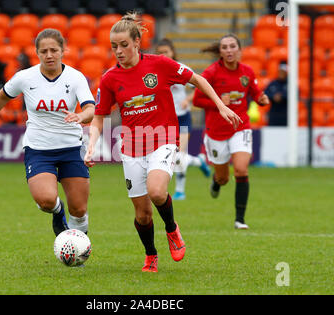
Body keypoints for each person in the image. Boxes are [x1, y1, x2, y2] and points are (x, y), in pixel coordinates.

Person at [84, 14, 241, 273]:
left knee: (157, 192)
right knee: (142, 215)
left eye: (123, 45)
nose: (118, 51)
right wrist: (91, 145)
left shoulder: (159, 64)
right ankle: (150, 255)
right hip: (132, 148)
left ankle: (171, 229)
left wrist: (220, 105)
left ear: (137, 42)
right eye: (114, 46)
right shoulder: (110, 78)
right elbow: (99, 117)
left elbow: (198, 79)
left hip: (164, 140)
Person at [0, 29, 95, 238]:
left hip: (72, 147)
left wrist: (81, 116)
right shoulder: (25, 77)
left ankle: (79, 251)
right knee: (46, 200)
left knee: (78, 210)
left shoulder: (75, 77)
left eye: (53, 50)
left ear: (63, 51)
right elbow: (2, 97)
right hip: (39, 149)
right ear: (37, 53)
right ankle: (58, 213)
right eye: (44, 51)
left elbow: (90, 109)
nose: (49, 55)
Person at [194, 33, 270, 230]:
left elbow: (255, 92)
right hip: (216, 131)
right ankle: (216, 182)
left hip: (240, 127)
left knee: (241, 170)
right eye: (225, 47)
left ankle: (240, 219)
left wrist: (262, 98)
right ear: (220, 52)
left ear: (239, 50)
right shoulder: (211, 73)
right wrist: (218, 102)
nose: (229, 50)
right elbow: (197, 100)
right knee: (223, 178)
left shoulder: (247, 72)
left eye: (232, 46)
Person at [155, 38, 211, 201]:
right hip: (165, 120)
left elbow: (199, 86)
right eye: (160, 52)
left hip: (182, 118)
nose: (163, 55)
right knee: (174, 155)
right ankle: (199, 161)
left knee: (178, 155)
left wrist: (188, 100)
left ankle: (180, 190)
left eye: (166, 52)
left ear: (173, 52)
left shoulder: (181, 69)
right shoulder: (154, 72)